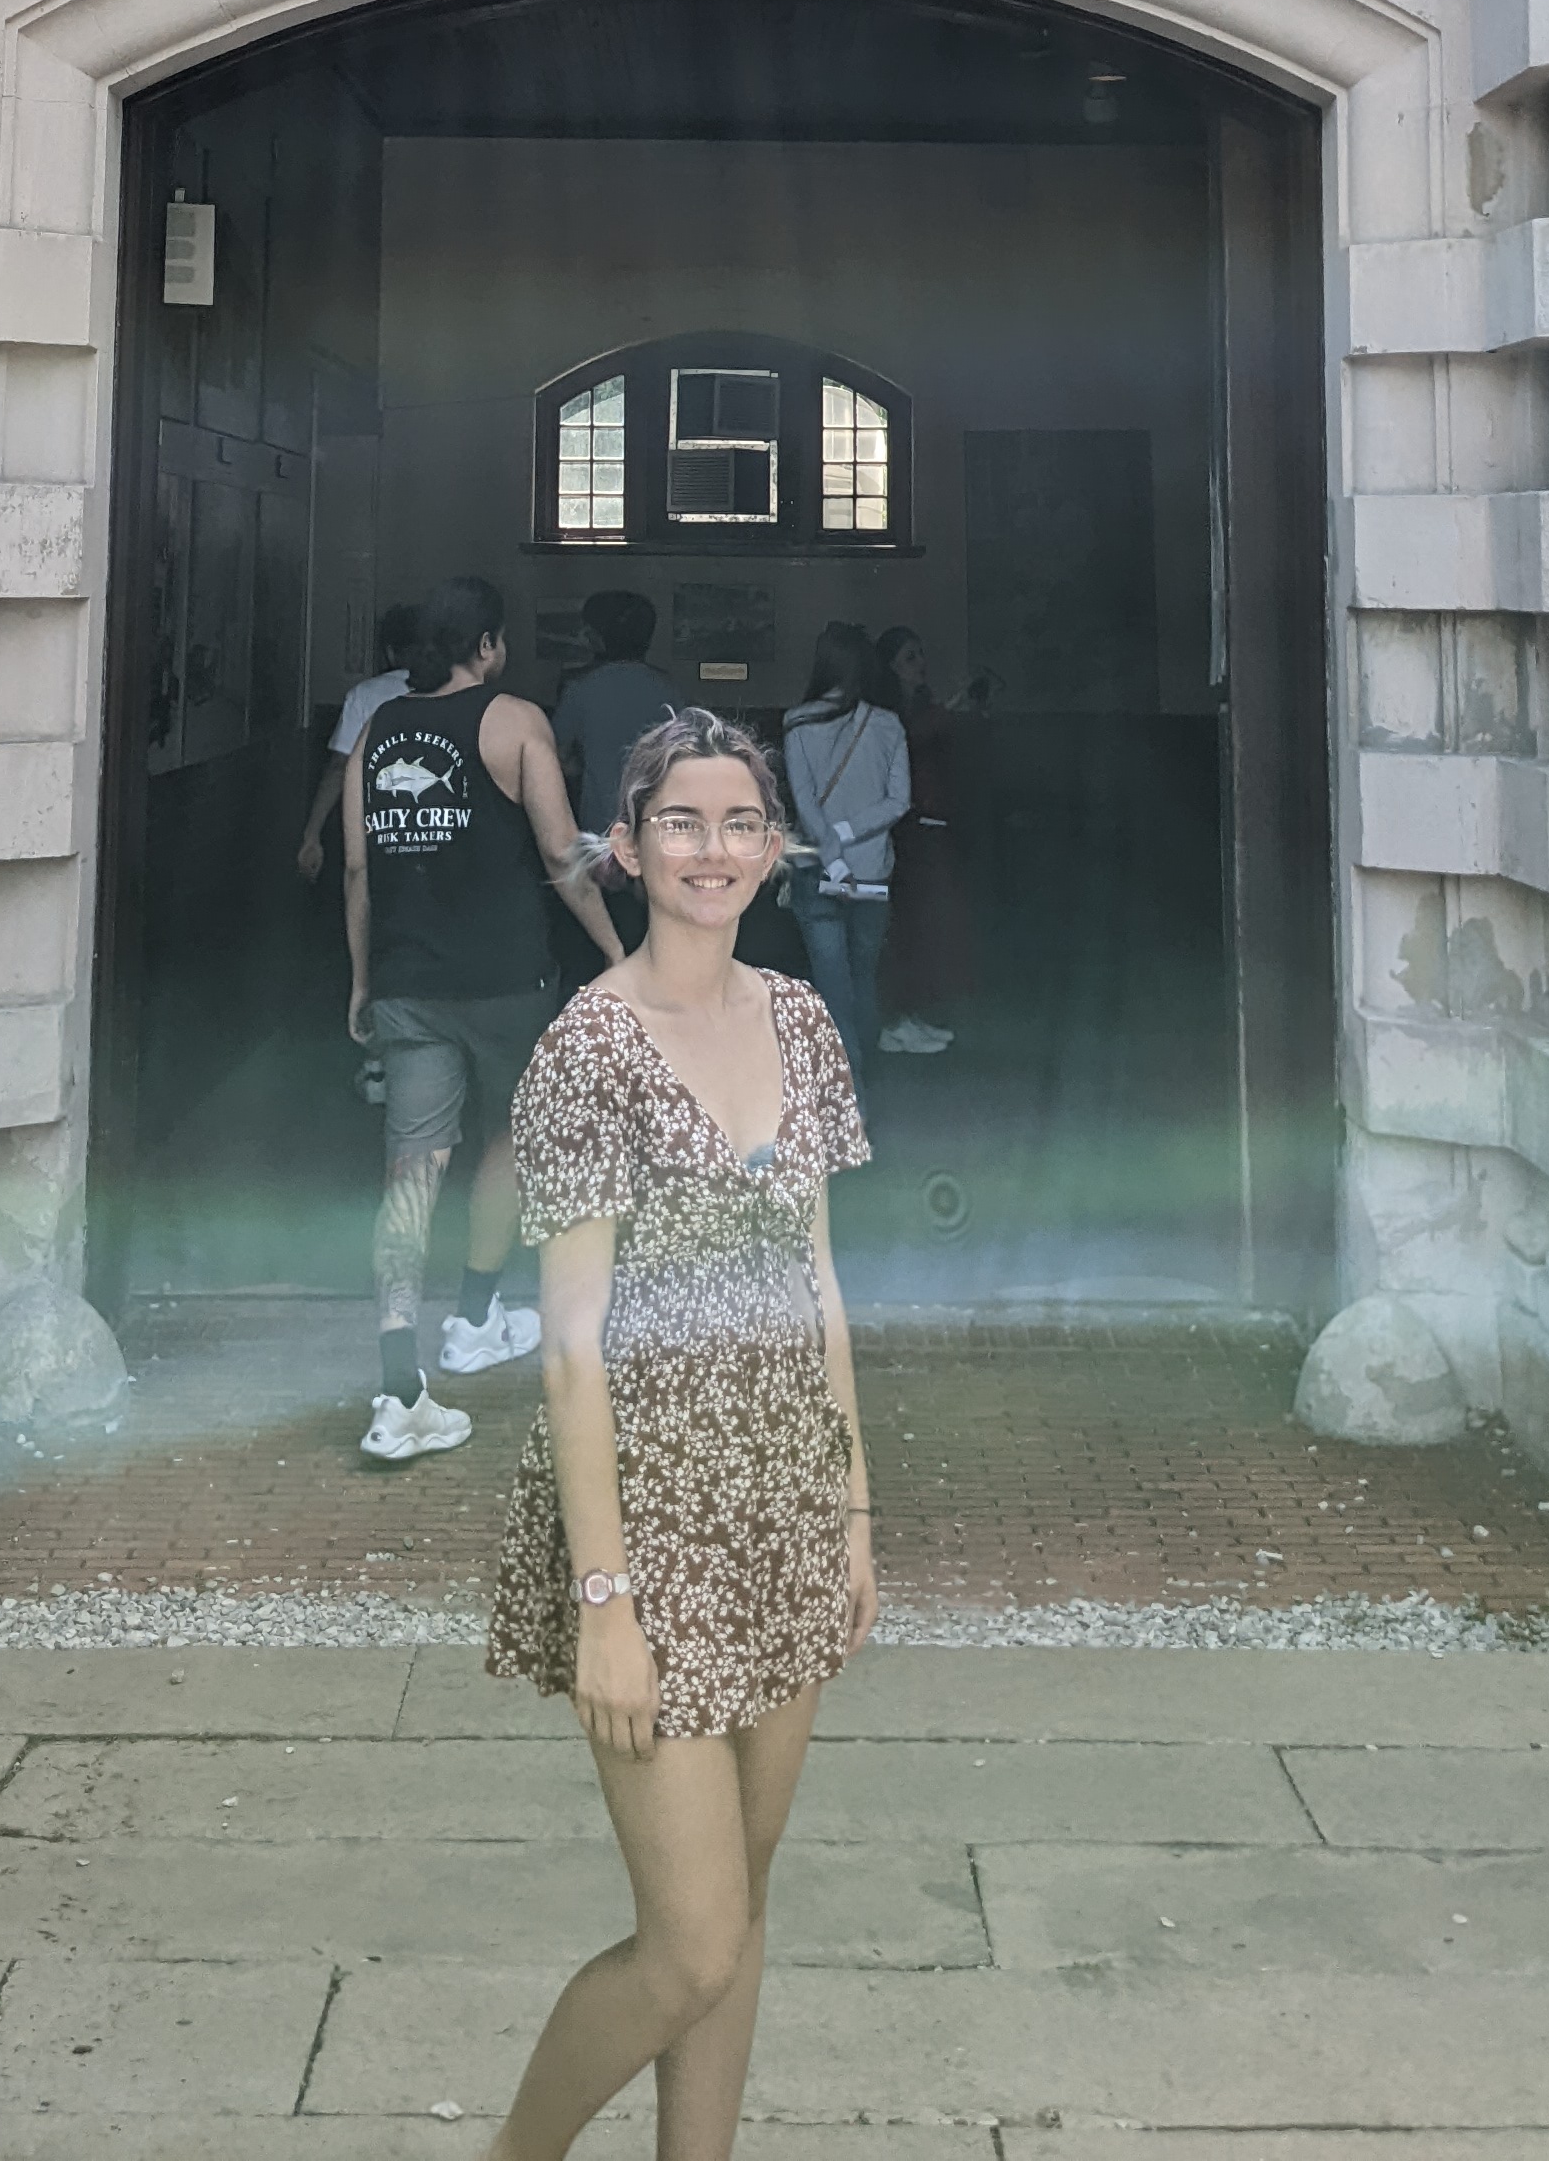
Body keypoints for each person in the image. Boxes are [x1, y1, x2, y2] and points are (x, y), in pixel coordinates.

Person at [482, 709, 875, 2161]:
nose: (713, 850)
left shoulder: (801, 1019)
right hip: (647, 1519)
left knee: (741, 1911)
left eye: (740, 823)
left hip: (786, 1500)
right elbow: (571, 1349)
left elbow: (820, 1279)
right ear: (628, 846)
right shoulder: (589, 1047)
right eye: (682, 823)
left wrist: (855, 1514)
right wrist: (606, 1604)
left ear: (774, 850)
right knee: (691, 1941)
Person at [344, 574, 626, 1462]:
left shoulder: (376, 733)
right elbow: (560, 851)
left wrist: (361, 981)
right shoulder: (515, 722)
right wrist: (616, 952)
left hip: (407, 983)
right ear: (489, 645)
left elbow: (358, 871)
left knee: (411, 1168)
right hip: (507, 982)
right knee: (508, 1134)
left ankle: (400, 1389)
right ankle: (474, 1319)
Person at [778, 622, 910, 1102]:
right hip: (872, 871)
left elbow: (805, 802)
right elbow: (899, 801)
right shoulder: (888, 724)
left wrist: (831, 852)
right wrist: (850, 834)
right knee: (863, 977)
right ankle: (864, 1072)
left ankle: (850, 1091)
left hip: (818, 871)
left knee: (831, 983)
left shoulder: (797, 722)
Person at [870, 625, 977, 1056]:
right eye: (910, 657)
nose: (921, 665)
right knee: (907, 925)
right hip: (909, 826)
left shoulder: (919, 707)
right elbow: (909, 742)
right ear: (891, 667)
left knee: (925, 925)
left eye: (920, 654)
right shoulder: (891, 714)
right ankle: (896, 1018)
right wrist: (949, 711)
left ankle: (909, 1013)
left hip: (931, 822)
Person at [299, 600, 422, 882]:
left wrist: (312, 833)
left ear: (389, 651)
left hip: (378, 828)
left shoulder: (365, 695)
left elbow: (339, 767)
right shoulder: (452, 692)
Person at [552, 585, 679, 826]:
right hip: (655, 822)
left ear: (600, 638)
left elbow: (558, 758)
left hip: (600, 824)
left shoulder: (580, 689)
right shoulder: (668, 689)